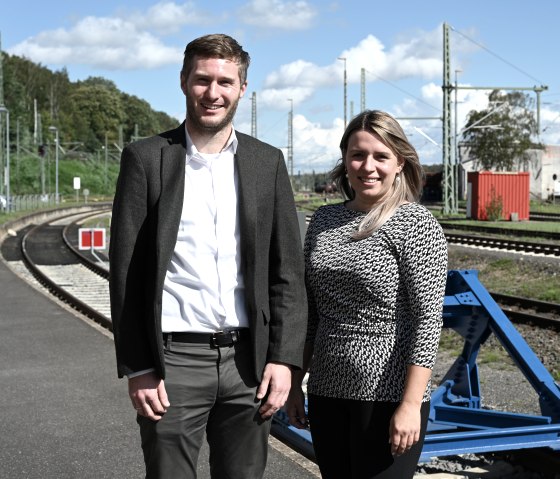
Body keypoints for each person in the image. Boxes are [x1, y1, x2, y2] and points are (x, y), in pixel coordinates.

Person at [109, 33, 307, 479]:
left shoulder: (266, 162)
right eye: (202, 80)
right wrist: (138, 365)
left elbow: (287, 272)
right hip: (173, 362)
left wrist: (285, 358)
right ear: (183, 82)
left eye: (224, 81)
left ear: (242, 88)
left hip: (248, 365)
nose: (212, 93)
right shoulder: (146, 159)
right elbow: (127, 272)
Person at [286, 110, 448, 478]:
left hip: (388, 394)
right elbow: (311, 312)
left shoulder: (416, 224)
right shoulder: (324, 222)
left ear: (399, 162)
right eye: (358, 155)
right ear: (345, 160)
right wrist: (296, 382)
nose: (368, 166)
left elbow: (427, 322)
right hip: (327, 389)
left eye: (380, 156)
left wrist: (409, 405)